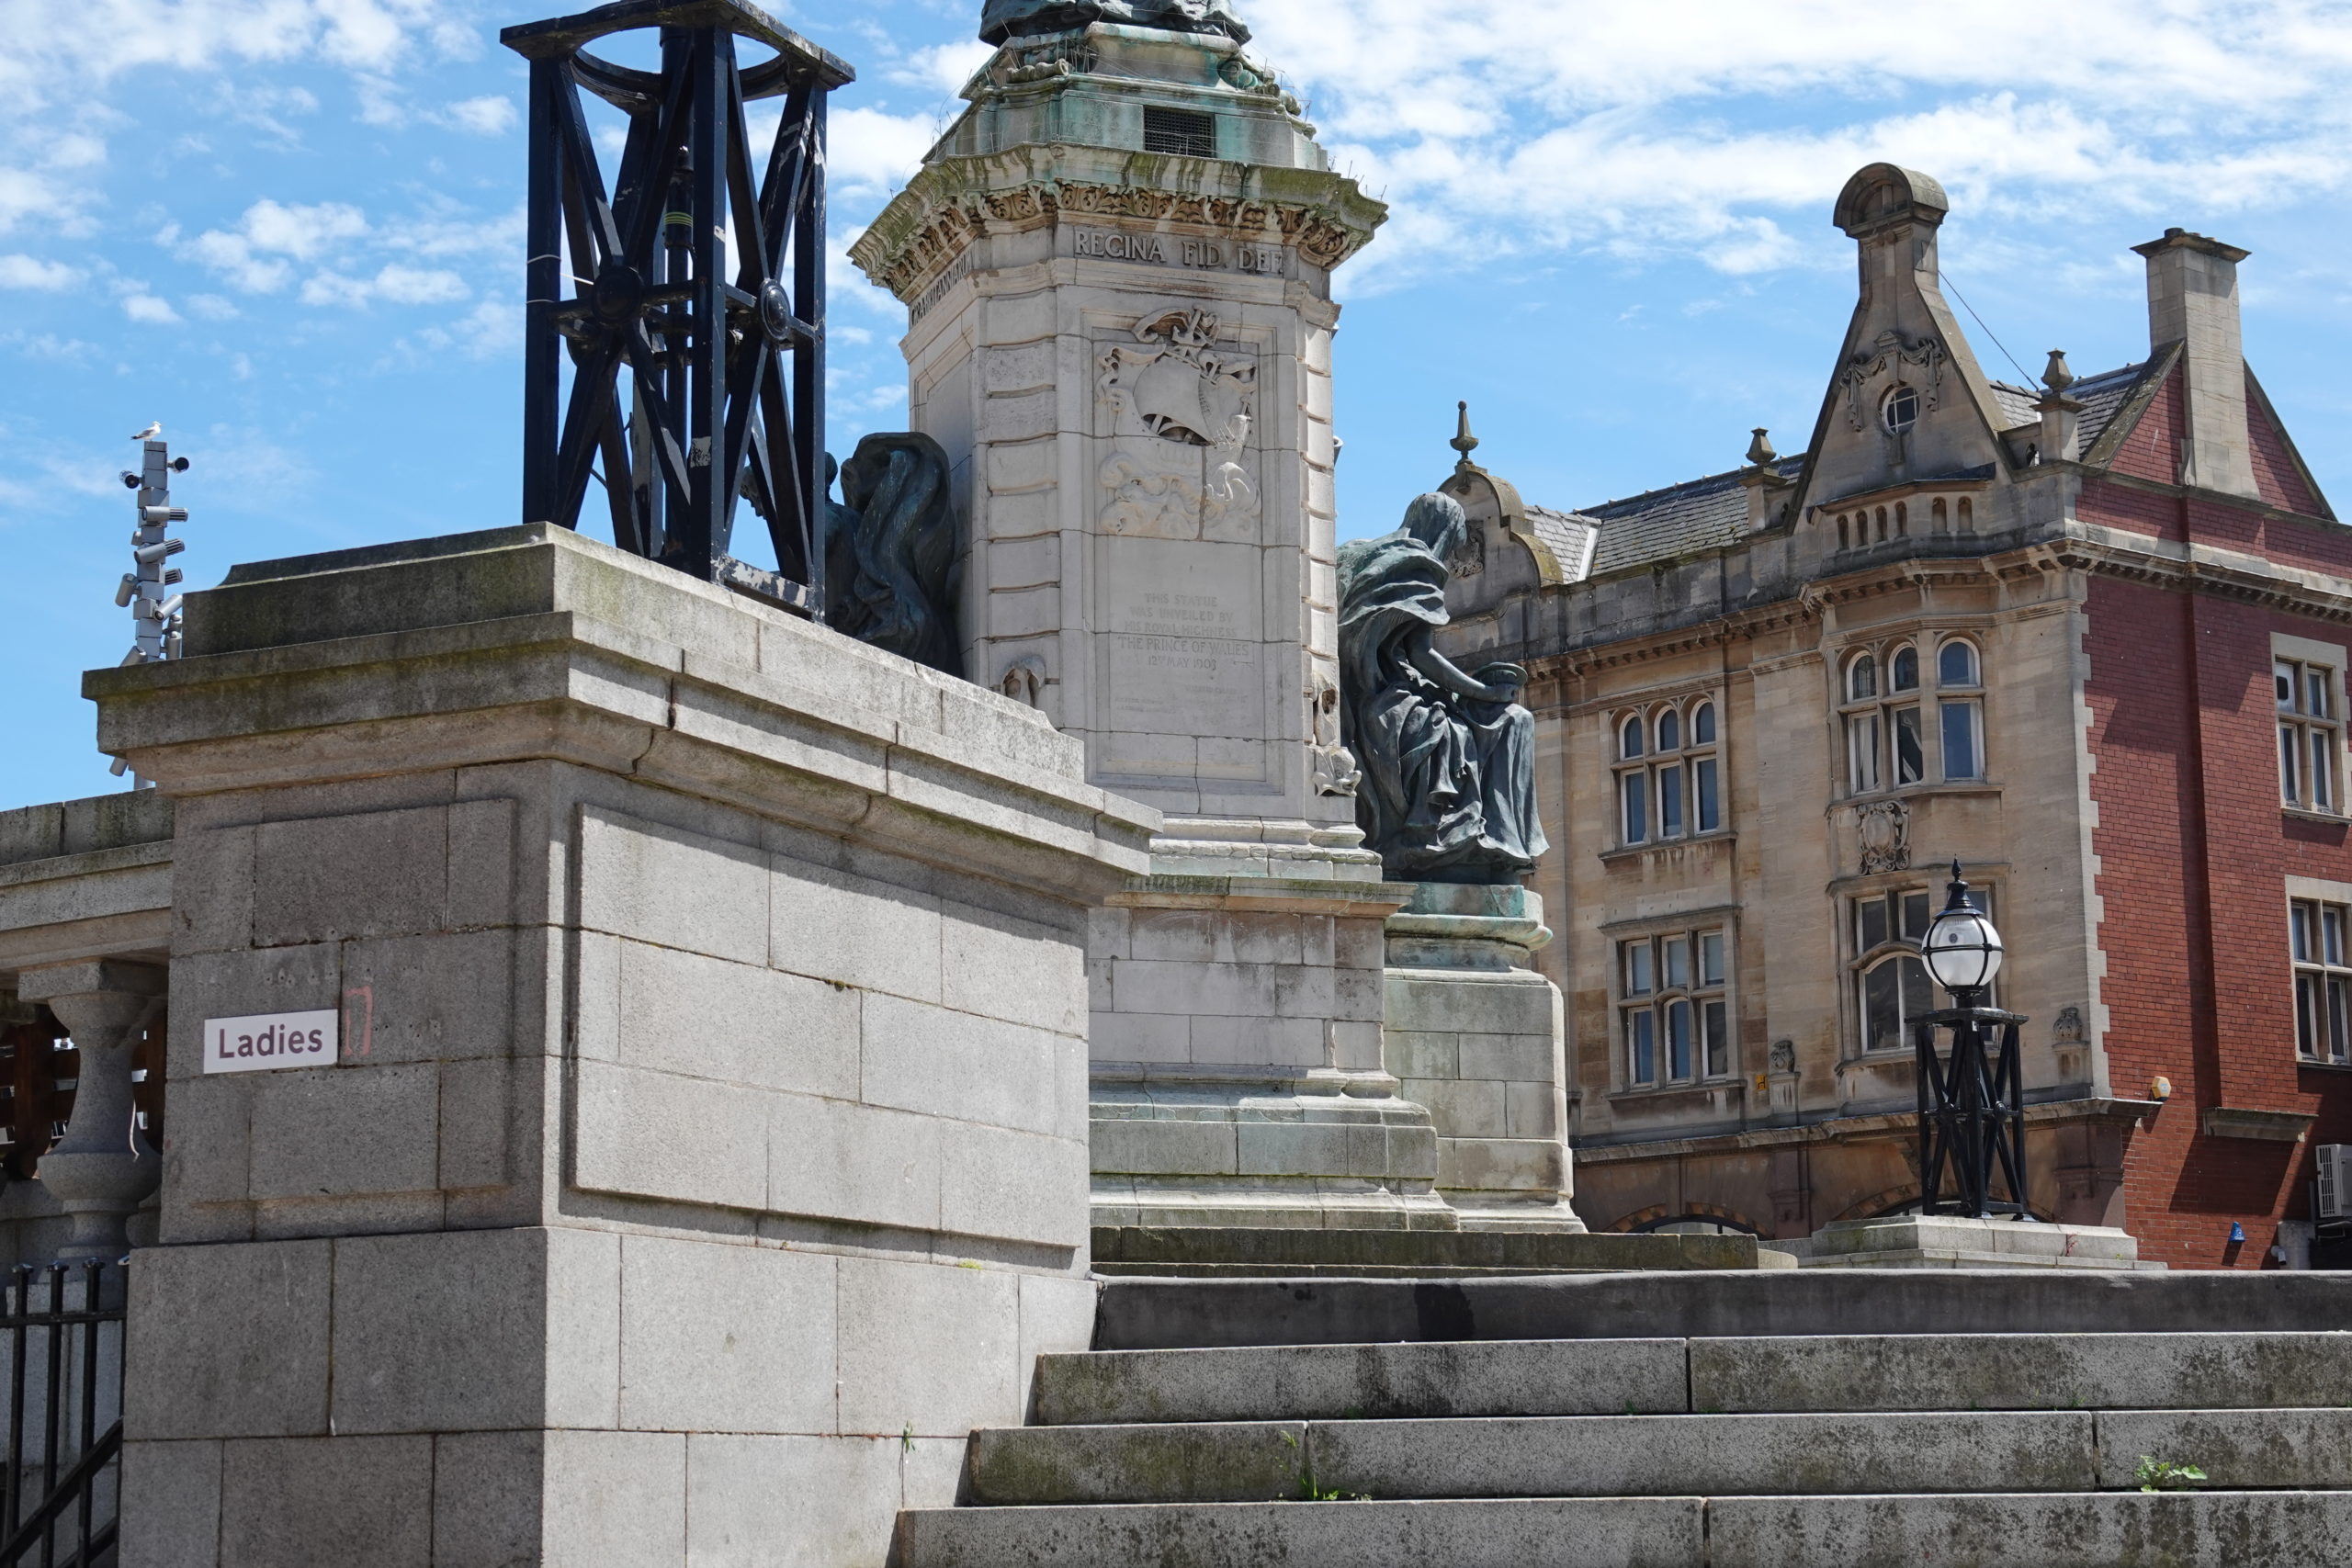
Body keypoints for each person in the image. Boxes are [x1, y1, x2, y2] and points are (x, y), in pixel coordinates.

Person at [1337, 491, 1547, 883]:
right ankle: (1467, 837)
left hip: (1364, 700)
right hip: (1388, 702)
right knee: (1503, 720)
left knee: (1498, 721)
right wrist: (1483, 692)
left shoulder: (1357, 552)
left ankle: (1490, 838)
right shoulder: (1418, 564)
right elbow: (1423, 656)